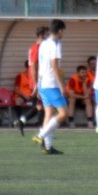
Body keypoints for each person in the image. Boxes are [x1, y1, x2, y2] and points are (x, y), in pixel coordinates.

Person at [33, 19, 69, 154]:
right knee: (64, 113)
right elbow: (54, 66)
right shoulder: (55, 45)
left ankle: (48, 147)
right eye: (63, 31)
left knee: (48, 114)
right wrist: (61, 86)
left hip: (43, 84)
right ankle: (40, 136)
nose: (63, 34)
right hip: (51, 84)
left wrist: (37, 85)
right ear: (59, 31)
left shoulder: (43, 44)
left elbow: (39, 65)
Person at [14, 25, 49, 135]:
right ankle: (42, 131)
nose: (49, 37)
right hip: (38, 82)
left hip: (41, 81)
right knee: (42, 107)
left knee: (39, 106)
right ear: (42, 35)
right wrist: (36, 85)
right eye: (47, 35)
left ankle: (22, 122)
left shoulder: (41, 48)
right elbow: (33, 67)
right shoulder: (36, 48)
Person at [65, 62, 93, 128]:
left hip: (81, 98)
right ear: (78, 73)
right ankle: (71, 121)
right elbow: (71, 94)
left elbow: (87, 94)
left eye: (85, 72)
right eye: (82, 73)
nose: (84, 74)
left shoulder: (87, 79)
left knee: (88, 100)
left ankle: (90, 121)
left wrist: (84, 83)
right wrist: (83, 97)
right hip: (74, 97)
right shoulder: (73, 79)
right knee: (72, 100)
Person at [12, 60, 38, 126]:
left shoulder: (34, 77)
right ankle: (19, 119)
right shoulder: (20, 76)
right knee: (18, 101)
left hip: (32, 95)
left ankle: (26, 120)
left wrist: (33, 95)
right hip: (22, 95)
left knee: (39, 105)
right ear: (27, 67)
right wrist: (24, 95)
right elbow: (16, 89)